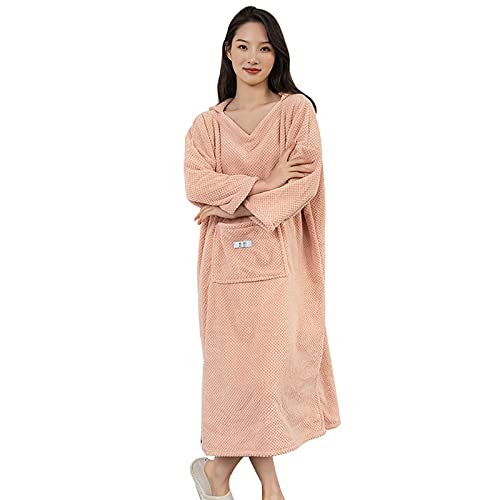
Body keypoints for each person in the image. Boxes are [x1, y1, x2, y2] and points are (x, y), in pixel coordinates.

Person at [185, 7, 341, 500]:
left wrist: (230, 202)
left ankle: (222, 475)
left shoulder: (296, 113)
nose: (253, 57)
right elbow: (196, 183)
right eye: (243, 46)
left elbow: (303, 183)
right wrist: (263, 182)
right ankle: (268, 487)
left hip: (282, 265)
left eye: (265, 47)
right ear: (228, 52)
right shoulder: (207, 126)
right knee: (238, 377)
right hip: (223, 270)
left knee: (266, 376)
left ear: (277, 55)